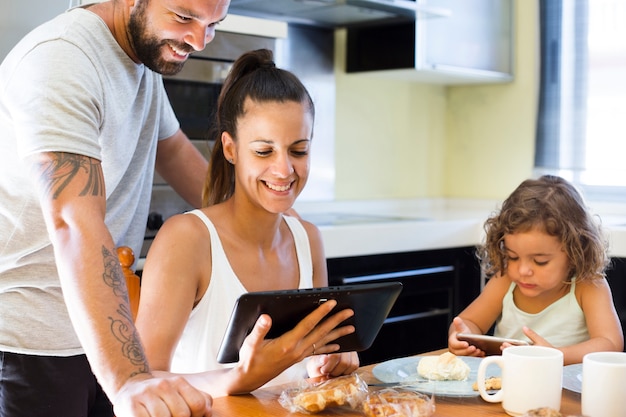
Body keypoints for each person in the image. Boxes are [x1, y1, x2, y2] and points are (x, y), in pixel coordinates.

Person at [0, 0, 232, 415]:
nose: (199, 40)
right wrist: (126, 377)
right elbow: (74, 224)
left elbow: (175, 152)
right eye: (184, 17)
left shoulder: (141, 58)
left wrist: (254, 220)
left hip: (106, 335)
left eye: (214, 24)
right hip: (31, 343)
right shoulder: (62, 60)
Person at [135, 48, 360, 396]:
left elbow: (309, 370)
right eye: (263, 151)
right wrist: (237, 379)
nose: (285, 170)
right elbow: (142, 381)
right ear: (230, 149)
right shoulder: (187, 240)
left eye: (299, 150)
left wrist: (331, 360)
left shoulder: (308, 240)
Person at [448, 175, 624, 365]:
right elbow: (469, 322)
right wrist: (462, 337)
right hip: (503, 386)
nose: (523, 270)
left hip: (563, 390)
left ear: (575, 253)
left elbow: (610, 343)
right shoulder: (506, 280)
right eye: (513, 256)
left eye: (540, 261)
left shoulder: (588, 285)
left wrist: (556, 354)